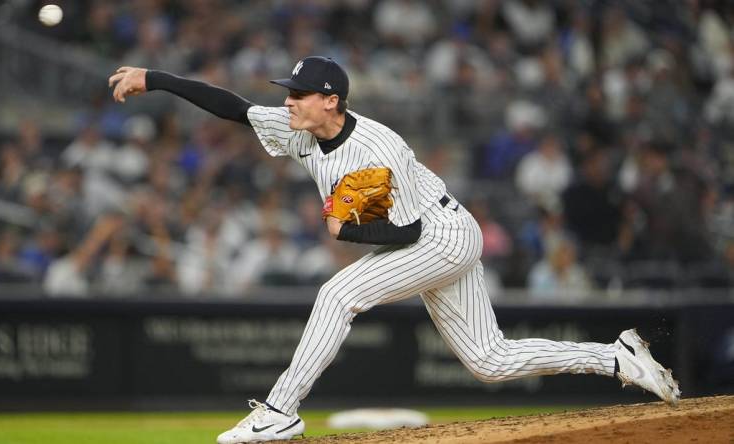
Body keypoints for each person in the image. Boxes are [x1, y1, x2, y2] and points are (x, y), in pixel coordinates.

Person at [109, 56, 680, 444]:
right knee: (490, 361)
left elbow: (400, 235)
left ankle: (279, 414)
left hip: (440, 235)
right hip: (429, 234)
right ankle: (615, 356)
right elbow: (232, 107)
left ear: (331, 100)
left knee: (337, 294)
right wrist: (156, 78)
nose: (288, 102)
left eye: (299, 95)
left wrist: (341, 227)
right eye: (289, 93)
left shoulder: (371, 150)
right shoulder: (302, 126)